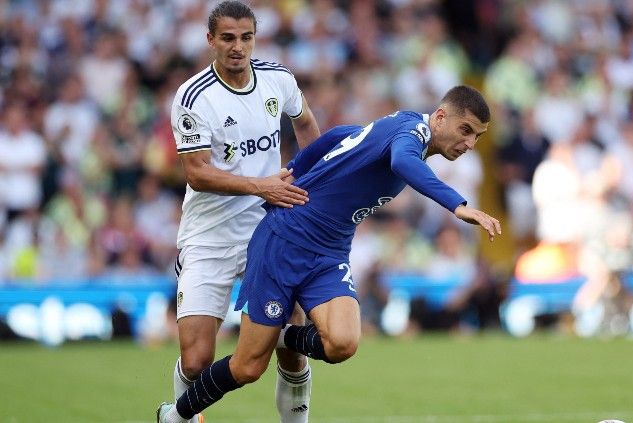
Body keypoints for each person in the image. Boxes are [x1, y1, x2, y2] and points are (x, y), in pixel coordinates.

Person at [156, 85, 500, 423]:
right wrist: (458, 205)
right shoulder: (412, 134)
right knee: (248, 367)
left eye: (478, 137)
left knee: (343, 343)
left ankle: (279, 333)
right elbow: (402, 161)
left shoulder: (403, 123)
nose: (470, 143)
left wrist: (295, 168)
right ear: (441, 117)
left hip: (330, 252)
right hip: (286, 242)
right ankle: (174, 416)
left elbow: (342, 135)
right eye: (465, 130)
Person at [167, 2, 320, 423]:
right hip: (209, 236)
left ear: (256, 38)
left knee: (291, 337)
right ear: (211, 40)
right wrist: (262, 185)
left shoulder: (278, 79)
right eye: (228, 38)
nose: (238, 47)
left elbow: (305, 124)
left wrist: (313, 176)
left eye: (246, 37)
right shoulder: (193, 96)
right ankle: (181, 415)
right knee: (197, 360)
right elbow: (197, 173)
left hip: (266, 231)